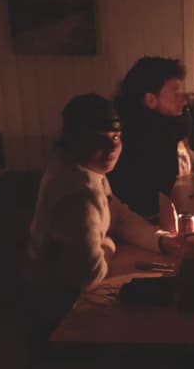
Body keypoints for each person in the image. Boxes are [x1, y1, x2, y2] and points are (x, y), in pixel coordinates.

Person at [26, 94, 178, 329]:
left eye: (116, 137)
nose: (111, 148)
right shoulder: (78, 195)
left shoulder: (87, 170)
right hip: (63, 314)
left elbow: (120, 217)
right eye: (99, 140)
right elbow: (90, 275)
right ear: (75, 141)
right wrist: (109, 244)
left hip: (73, 300)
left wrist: (162, 241)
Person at [107, 57, 192, 224]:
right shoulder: (138, 139)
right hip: (132, 228)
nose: (184, 99)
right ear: (150, 100)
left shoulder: (161, 129)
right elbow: (146, 204)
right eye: (175, 93)